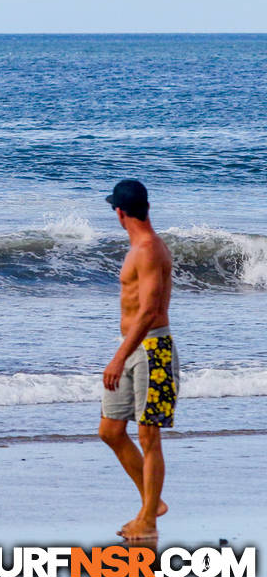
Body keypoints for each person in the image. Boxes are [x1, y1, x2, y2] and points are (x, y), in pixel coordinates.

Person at [98, 179, 179, 541]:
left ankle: (148, 518)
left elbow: (148, 312)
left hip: (152, 351)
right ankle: (153, 502)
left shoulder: (147, 249)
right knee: (111, 430)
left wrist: (118, 358)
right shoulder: (140, 247)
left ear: (119, 212)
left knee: (149, 437)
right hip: (133, 347)